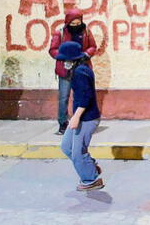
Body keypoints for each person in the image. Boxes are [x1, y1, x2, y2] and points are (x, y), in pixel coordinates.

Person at [56, 41, 103, 191]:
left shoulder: (80, 72)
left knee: (78, 152)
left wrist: (76, 117)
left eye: (65, 60)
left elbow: (85, 97)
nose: (64, 63)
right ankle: (89, 167)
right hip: (80, 117)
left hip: (86, 118)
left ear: (72, 59)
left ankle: (91, 179)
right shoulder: (79, 70)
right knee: (66, 146)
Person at [49, 9, 97, 135]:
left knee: (80, 96)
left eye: (78, 23)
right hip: (65, 69)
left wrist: (86, 54)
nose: (76, 26)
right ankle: (63, 123)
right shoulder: (59, 33)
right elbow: (53, 49)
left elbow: (92, 46)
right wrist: (64, 56)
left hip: (81, 68)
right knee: (64, 97)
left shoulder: (86, 31)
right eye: (73, 24)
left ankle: (80, 121)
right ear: (67, 22)